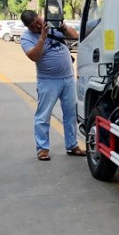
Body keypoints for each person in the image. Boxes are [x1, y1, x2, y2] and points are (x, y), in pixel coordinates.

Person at [19, 10, 85, 161]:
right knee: (43, 116)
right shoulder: (26, 37)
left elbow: (75, 36)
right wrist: (42, 37)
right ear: (28, 27)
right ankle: (42, 149)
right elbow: (34, 56)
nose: (37, 26)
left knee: (70, 114)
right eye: (33, 25)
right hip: (48, 81)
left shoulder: (53, 25)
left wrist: (63, 26)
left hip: (68, 78)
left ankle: (72, 145)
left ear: (39, 16)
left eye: (38, 21)